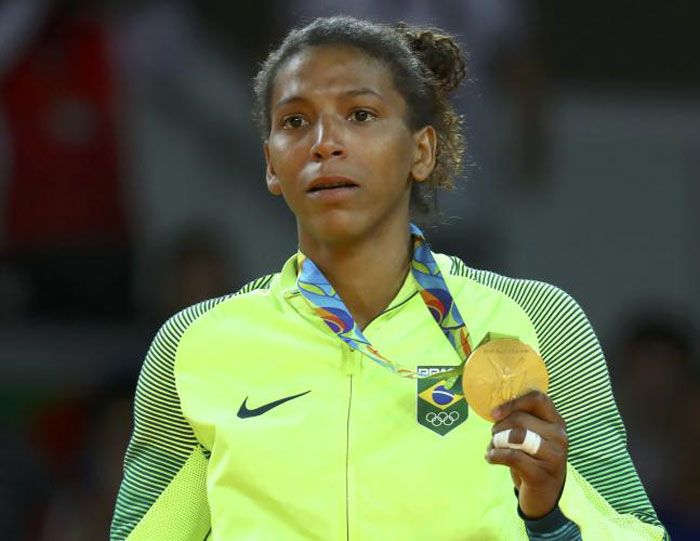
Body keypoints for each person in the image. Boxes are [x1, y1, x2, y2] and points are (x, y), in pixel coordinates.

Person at [110, 16, 668, 540]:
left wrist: (550, 516)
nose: (324, 143)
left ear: (421, 151)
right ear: (270, 165)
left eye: (360, 115)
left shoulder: (535, 322)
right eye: (295, 121)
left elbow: (637, 530)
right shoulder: (197, 344)